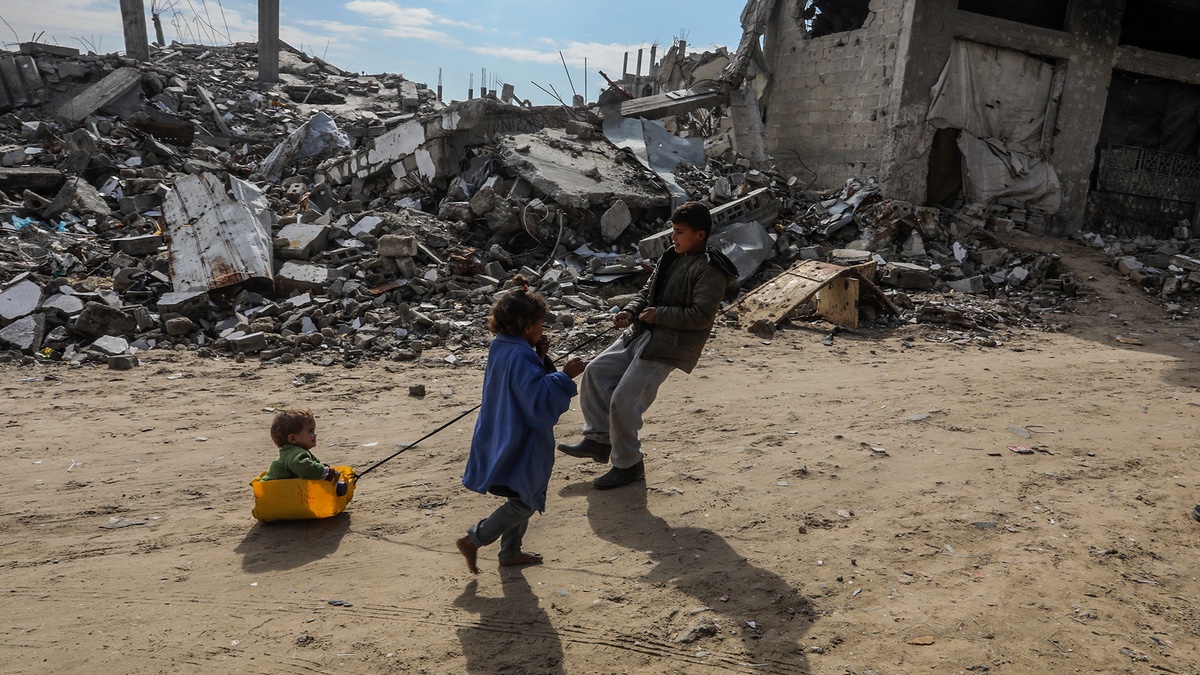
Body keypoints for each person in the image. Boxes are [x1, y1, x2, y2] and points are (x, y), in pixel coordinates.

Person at [557, 201, 737, 490]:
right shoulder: (671, 255)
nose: (673, 237)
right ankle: (599, 440)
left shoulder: (709, 271)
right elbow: (647, 292)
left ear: (700, 235)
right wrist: (630, 310)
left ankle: (628, 465)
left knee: (624, 401)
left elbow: (701, 317)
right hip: (642, 331)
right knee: (596, 372)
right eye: (673, 231)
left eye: (679, 232)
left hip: (669, 344)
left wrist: (660, 314)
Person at [456, 276, 585, 574]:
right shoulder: (519, 354)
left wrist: (540, 355)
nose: (542, 330)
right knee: (525, 500)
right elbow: (537, 399)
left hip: (504, 428)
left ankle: (510, 551)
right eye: (539, 326)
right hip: (522, 435)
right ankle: (474, 539)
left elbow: (524, 382)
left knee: (520, 490)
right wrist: (565, 376)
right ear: (527, 327)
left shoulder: (503, 346)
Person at [262, 408, 342, 486]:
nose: (315, 435)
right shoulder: (296, 453)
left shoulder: (289, 452)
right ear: (293, 439)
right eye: (310, 431)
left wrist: (319, 465)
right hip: (274, 489)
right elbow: (305, 469)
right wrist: (329, 473)